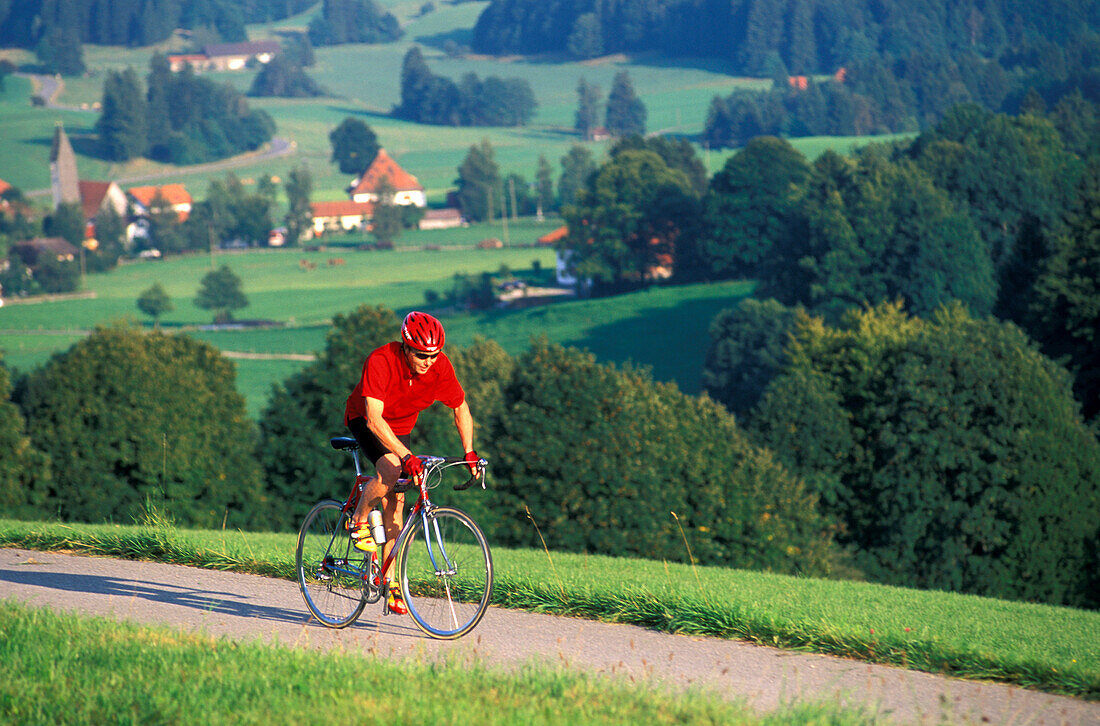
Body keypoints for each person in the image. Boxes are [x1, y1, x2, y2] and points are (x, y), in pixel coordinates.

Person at [344, 311, 479, 615]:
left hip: (401, 427)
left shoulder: (439, 367)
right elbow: (375, 419)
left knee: (398, 501)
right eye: (421, 354)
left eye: (434, 354)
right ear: (405, 346)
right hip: (367, 420)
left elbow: (460, 407)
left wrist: (469, 450)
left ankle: (391, 584)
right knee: (391, 469)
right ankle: (358, 520)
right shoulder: (382, 360)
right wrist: (406, 456)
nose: (428, 360)